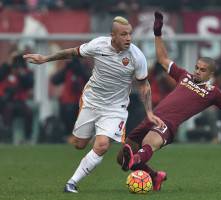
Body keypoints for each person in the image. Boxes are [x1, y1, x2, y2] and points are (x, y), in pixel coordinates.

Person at [117, 11, 221, 191]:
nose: (198, 71)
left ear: (211, 74)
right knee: (122, 160)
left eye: (203, 69)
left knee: (148, 143)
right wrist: (158, 33)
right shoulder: (183, 76)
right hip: (151, 118)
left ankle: (137, 159)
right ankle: (155, 176)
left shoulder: (212, 92)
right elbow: (162, 60)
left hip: (167, 125)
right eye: (197, 67)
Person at [23, 16, 164, 193]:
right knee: (79, 144)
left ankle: (71, 183)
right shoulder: (98, 45)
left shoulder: (137, 56)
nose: (128, 38)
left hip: (115, 108)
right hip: (91, 101)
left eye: (130, 34)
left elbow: (144, 85)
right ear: (112, 36)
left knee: (102, 145)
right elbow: (72, 52)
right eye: (123, 34)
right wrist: (45, 58)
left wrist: (149, 112)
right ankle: (96, 140)